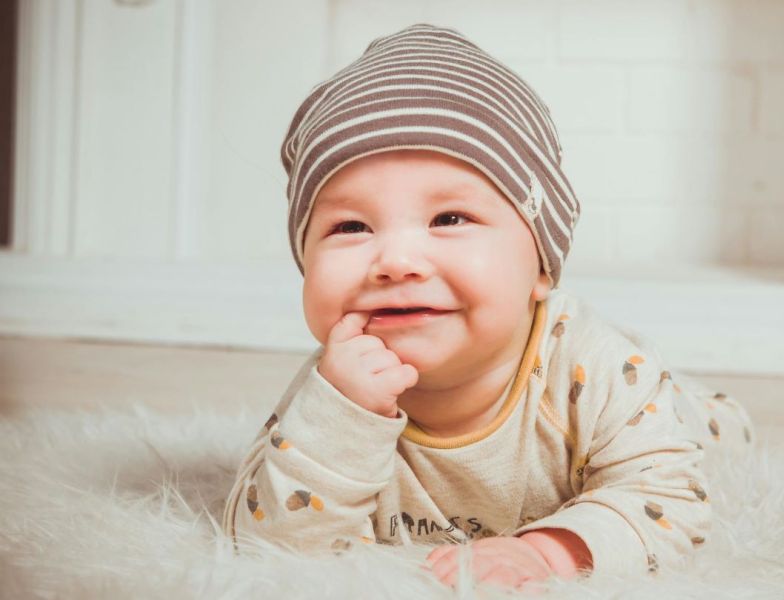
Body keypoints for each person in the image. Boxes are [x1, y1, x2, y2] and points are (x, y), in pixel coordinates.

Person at [222, 23, 755, 591]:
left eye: (449, 219)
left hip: (640, 403)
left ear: (542, 267)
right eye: (350, 225)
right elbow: (266, 541)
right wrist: (340, 423)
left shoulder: (597, 368)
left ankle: (698, 404)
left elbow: (670, 500)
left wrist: (549, 552)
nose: (397, 260)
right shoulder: (335, 392)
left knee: (700, 433)